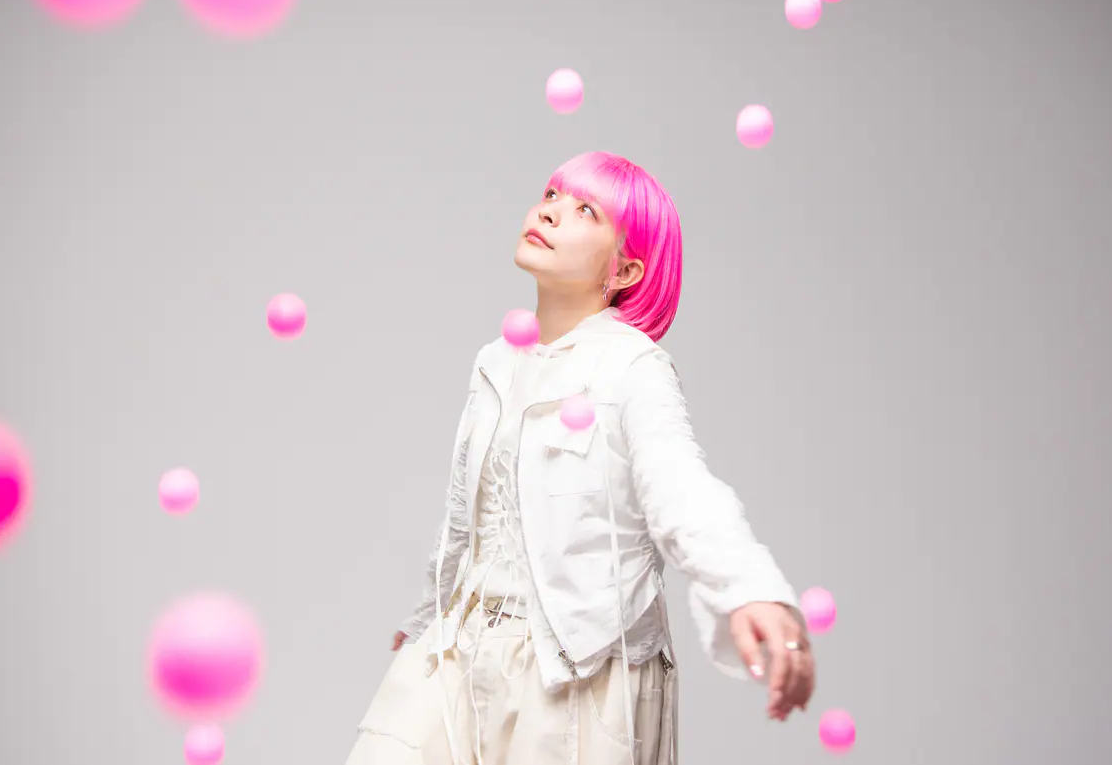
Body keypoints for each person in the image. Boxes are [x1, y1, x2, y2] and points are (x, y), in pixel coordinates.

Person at [344, 151, 815, 765]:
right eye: (551, 194)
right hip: (463, 652)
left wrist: (748, 589)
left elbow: (681, 487)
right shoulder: (495, 360)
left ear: (625, 269)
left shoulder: (633, 367)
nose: (549, 211)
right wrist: (428, 616)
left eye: (586, 210)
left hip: (577, 672)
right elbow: (468, 513)